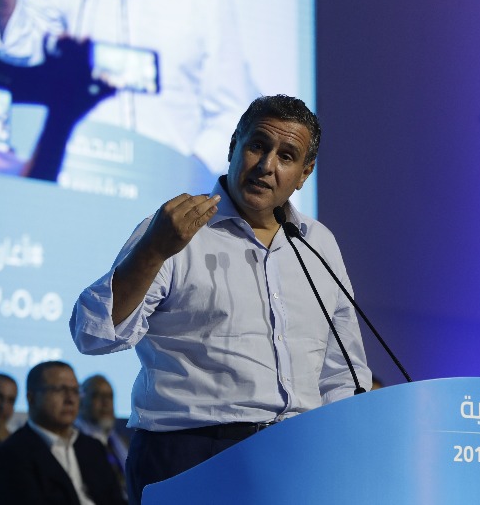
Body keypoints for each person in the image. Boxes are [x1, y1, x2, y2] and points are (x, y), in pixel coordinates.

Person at [70, 94, 371, 505]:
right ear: (233, 146)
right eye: (257, 146)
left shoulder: (318, 244)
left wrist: (347, 453)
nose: (266, 165)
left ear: (305, 173)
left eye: (286, 156)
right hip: (190, 454)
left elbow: (342, 372)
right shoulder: (174, 229)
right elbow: (93, 334)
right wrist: (153, 251)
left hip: (295, 459)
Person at [0, 0, 259, 174]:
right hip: (82, 174)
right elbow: (17, 40)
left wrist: (189, 173)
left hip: (166, 196)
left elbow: (231, 109)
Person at [0, 361, 126, 505]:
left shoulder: (92, 447)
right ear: (31, 398)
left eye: (75, 391)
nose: (70, 400)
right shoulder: (11, 455)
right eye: (60, 390)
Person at [75, 374, 129, 501]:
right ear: (81, 402)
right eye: (96, 396)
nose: (106, 402)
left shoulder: (122, 440)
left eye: (110, 396)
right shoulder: (75, 441)